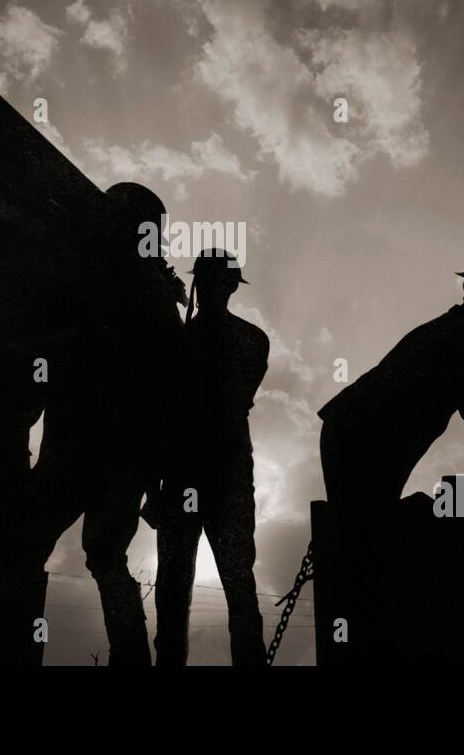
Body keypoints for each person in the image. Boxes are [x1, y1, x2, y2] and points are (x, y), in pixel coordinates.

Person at [316, 256, 464, 663]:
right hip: (359, 442)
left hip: (359, 440)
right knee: (366, 547)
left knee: (370, 542)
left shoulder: (455, 340)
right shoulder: (453, 343)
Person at [17, 182, 187, 666]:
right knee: (103, 556)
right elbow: (169, 383)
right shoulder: (144, 285)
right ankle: (130, 657)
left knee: (33, 546)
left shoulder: (91, 274)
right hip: (118, 453)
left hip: (80, 446)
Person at [154, 249, 268, 666]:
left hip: (194, 477)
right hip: (224, 477)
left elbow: (167, 416)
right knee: (234, 590)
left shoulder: (181, 342)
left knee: (178, 594)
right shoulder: (251, 339)